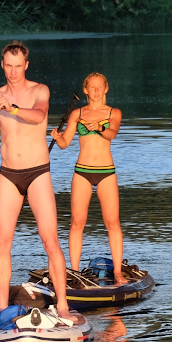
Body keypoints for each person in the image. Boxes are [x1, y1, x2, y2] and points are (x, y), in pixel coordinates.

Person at [0, 41, 77, 327]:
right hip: (8, 174)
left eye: (19, 66)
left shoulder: (39, 90)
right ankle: (3, 311)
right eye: (9, 65)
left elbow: (40, 115)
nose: (14, 71)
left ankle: (64, 307)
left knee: (50, 240)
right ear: (2, 65)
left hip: (38, 173)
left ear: (26, 65)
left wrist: (14, 109)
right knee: (2, 242)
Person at [51, 72, 125, 283]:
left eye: (99, 86)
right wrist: (57, 138)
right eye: (92, 87)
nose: (96, 90)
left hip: (106, 173)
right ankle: (74, 273)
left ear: (106, 88)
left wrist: (100, 127)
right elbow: (65, 143)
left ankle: (118, 273)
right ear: (85, 90)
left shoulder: (113, 113)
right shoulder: (77, 113)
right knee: (77, 222)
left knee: (112, 222)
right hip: (82, 172)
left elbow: (112, 133)